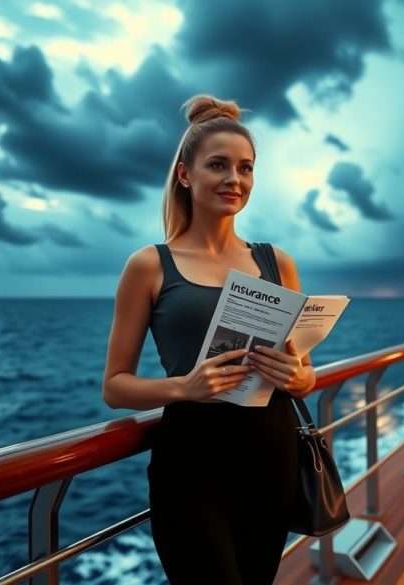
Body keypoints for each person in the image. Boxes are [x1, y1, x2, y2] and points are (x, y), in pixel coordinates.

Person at [102, 95, 317, 584]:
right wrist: (185, 387)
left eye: (245, 168)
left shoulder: (276, 263)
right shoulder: (150, 265)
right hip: (192, 469)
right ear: (185, 174)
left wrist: (299, 376)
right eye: (218, 165)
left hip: (272, 459)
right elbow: (115, 386)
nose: (234, 180)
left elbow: (304, 372)